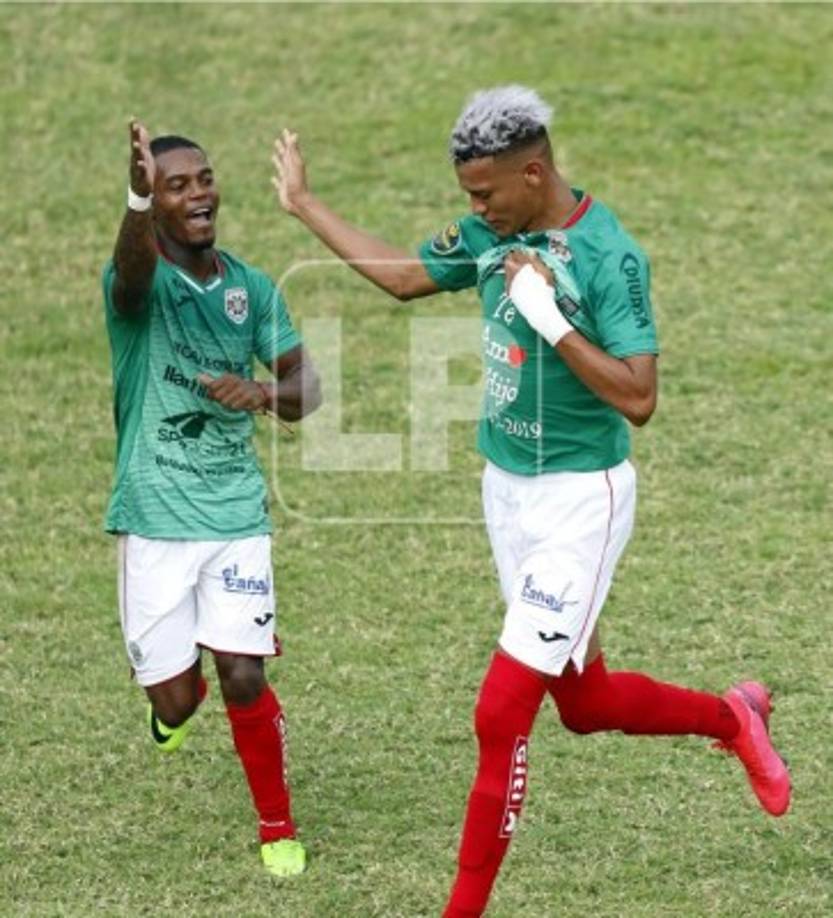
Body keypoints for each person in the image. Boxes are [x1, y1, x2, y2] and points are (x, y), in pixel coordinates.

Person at [271, 85, 791, 914]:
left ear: (533, 172)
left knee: (500, 711)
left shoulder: (608, 256)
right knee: (581, 703)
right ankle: (733, 719)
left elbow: (638, 397)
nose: (472, 210)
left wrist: (547, 319)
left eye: (483, 194)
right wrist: (303, 205)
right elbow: (405, 277)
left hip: (581, 501)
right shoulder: (490, 232)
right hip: (504, 492)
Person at [103, 119, 322, 877]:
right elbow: (131, 273)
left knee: (245, 674)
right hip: (154, 518)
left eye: (203, 179)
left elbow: (308, 387)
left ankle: (277, 828)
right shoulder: (136, 287)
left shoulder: (251, 289)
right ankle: (177, 693)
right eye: (175, 185)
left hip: (234, 514)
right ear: (152, 203)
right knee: (176, 702)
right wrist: (133, 198)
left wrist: (262, 392)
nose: (198, 194)